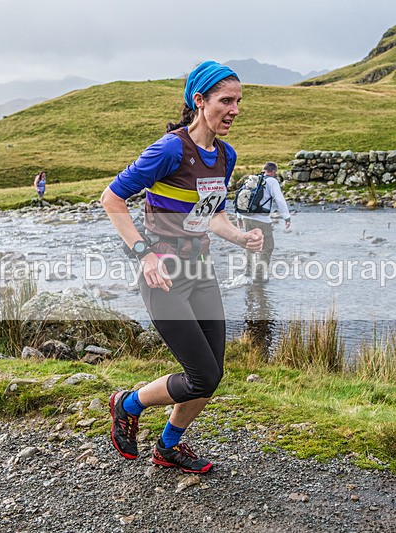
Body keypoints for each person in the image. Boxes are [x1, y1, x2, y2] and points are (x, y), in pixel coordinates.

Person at [100, 60, 263, 474]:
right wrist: (144, 252)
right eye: (226, 100)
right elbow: (112, 199)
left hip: (201, 269)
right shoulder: (170, 149)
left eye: (239, 101)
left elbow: (213, 215)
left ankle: (168, 446)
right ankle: (128, 403)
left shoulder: (226, 155)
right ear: (199, 100)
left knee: (213, 372)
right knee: (201, 376)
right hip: (164, 272)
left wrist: (242, 237)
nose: (235, 109)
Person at [238, 161, 291, 281]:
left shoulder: (252, 179)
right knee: (268, 247)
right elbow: (279, 199)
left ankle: (248, 273)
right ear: (273, 172)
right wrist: (286, 217)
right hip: (262, 220)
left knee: (249, 245)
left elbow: (242, 198)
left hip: (246, 217)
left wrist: (239, 217)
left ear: (264, 169)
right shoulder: (272, 181)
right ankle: (259, 277)